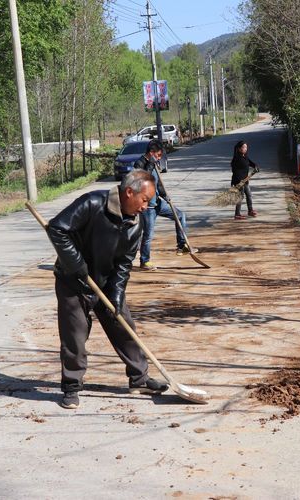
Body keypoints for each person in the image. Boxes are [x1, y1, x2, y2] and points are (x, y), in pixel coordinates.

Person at [46, 169, 168, 409]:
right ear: (129, 192)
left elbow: (124, 263)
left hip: (106, 282)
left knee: (124, 326)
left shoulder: (136, 222)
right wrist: (76, 264)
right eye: (144, 200)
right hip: (74, 282)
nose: (146, 207)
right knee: (75, 335)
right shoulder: (92, 203)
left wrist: (117, 292)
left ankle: (140, 378)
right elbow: (57, 228)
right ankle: (72, 386)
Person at [133, 139, 196, 271]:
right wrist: (150, 165)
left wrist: (165, 195)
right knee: (148, 235)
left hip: (158, 203)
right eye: (158, 155)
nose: (159, 158)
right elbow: (144, 179)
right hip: (147, 207)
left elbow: (157, 184)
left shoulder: (154, 163)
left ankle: (181, 245)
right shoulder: (139, 163)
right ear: (151, 153)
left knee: (180, 215)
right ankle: (145, 261)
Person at [230, 140, 259, 220]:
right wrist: (240, 182)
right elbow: (235, 172)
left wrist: (255, 166)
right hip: (239, 181)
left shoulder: (245, 156)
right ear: (239, 149)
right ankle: (237, 214)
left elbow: (250, 162)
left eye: (246, 147)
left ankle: (250, 211)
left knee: (249, 195)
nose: (245, 148)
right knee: (240, 197)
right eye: (243, 147)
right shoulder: (236, 158)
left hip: (245, 181)